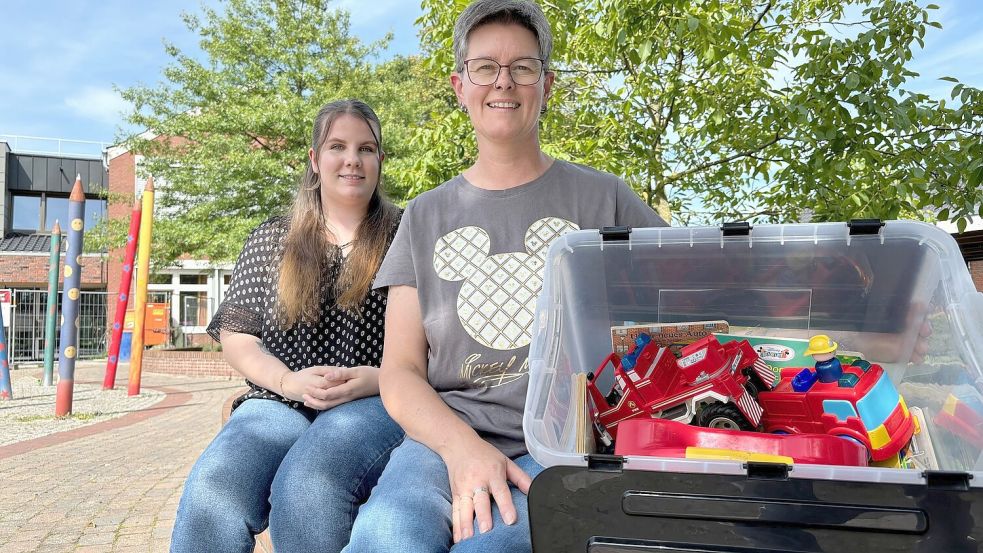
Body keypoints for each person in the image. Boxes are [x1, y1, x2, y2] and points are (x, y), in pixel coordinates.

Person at [343, 2, 668, 551]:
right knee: (385, 537)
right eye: (485, 66)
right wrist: (462, 450)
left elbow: (689, 288)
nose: (504, 82)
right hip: (445, 438)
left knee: (488, 547)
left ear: (547, 83)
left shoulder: (605, 198)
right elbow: (399, 369)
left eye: (523, 66)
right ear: (459, 83)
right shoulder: (425, 215)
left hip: (565, 451)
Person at [170, 99, 403, 553]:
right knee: (213, 492)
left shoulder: (406, 236)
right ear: (315, 160)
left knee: (310, 490)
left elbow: (436, 344)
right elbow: (237, 337)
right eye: (337, 146)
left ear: (379, 160)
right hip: (281, 398)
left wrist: (376, 380)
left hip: (378, 400)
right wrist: (288, 381)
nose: (352, 159)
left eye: (366, 148)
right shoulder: (273, 237)